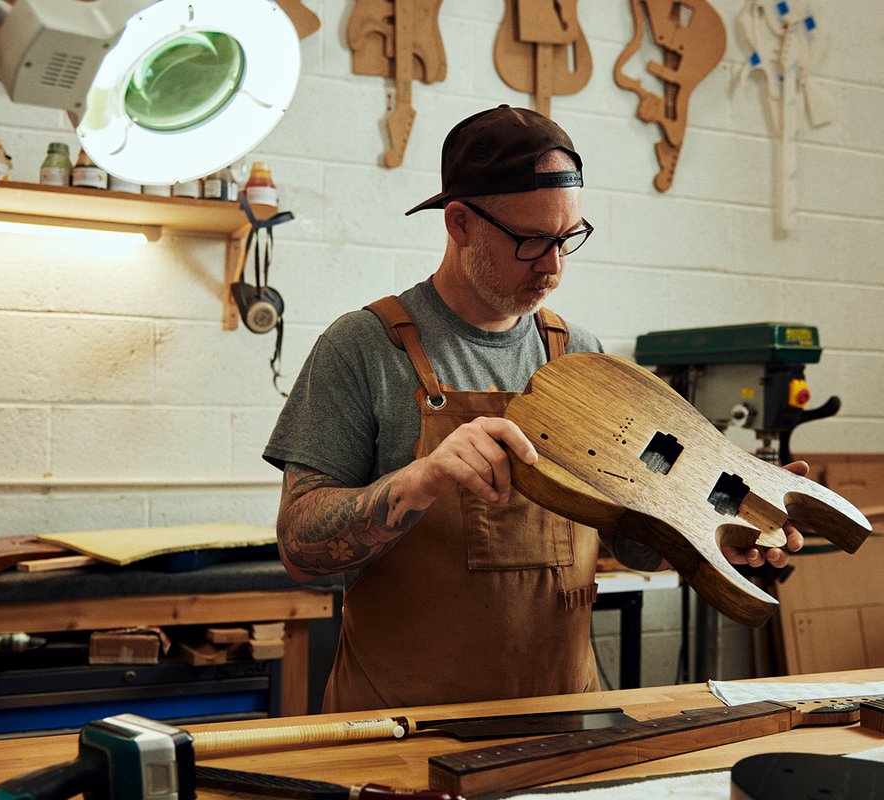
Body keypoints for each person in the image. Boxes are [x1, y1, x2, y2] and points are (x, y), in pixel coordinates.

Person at [263, 105, 804, 713]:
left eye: (567, 239)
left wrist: (713, 536)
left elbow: (634, 536)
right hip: (405, 726)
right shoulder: (362, 349)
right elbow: (300, 549)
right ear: (461, 223)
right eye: (530, 241)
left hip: (563, 714)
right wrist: (420, 481)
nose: (552, 266)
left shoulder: (582, 355)